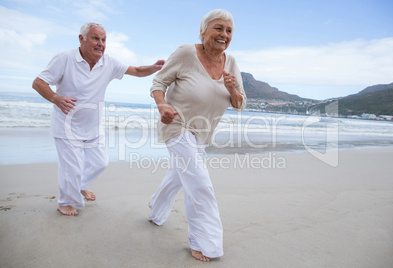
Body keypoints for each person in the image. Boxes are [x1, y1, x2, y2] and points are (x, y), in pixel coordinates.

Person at [32, 22, 165, 216]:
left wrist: (153, 68)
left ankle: (80, 186)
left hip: (93, 127)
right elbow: (38, 82)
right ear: (81, 39)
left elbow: (136, 71)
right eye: (95, 38)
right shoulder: (65, 58)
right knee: (72, 168)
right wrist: (55, 98)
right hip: (66, 126)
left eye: (103, 40)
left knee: (100, 163)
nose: (100, 43)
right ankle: (65, 202)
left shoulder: (108, 62)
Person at [148, 9, 246, 262]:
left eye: (229, 30)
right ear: (202, 31)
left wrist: (233, 89)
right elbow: (159, 83)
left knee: (179, 177)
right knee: (200, 183)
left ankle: (156, 211)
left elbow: (240, 103)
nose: (224, 34)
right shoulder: (185, 53)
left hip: (202, 134)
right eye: (218, 28)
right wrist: (162, 107)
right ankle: (204, 243)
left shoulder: (231, 63)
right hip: (177, 125)